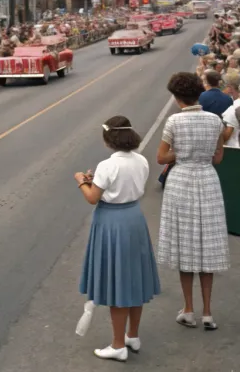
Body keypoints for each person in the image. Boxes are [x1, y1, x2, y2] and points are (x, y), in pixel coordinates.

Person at [76, 116, 160, 362]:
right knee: (133, 277)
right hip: (134, 217)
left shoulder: (107, 165)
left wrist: (81, 181)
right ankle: (132, 335)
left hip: (112, 222)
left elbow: (93, 197)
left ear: (108, 139)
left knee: (118, 282)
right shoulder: (141, 160)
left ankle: (117, 344)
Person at [157, 72, 229, 331]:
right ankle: (208, 312)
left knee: (185, 247)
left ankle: (188, 308)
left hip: (181, 181)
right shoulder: (214, 121)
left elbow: (162, 158)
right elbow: (218, 157)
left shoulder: (174, 121)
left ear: (177, 98)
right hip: (207, 181)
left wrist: (183, 152)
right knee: (206, 246)